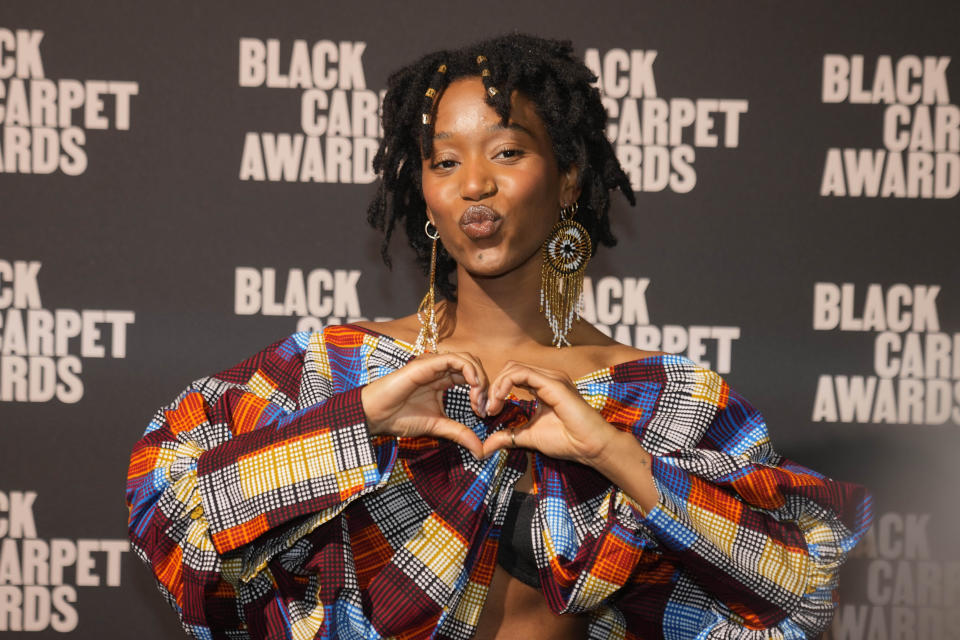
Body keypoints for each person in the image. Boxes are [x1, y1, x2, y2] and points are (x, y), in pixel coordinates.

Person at [126, 34, 871, 639]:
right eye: (445, 161)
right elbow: (173, 515)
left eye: (507, 152)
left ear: (569, 178)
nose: (473, 183)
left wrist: (616, 457)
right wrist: (358, 423)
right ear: (423, 193)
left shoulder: (656, 396)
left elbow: (801, 591)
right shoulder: (340, 369)